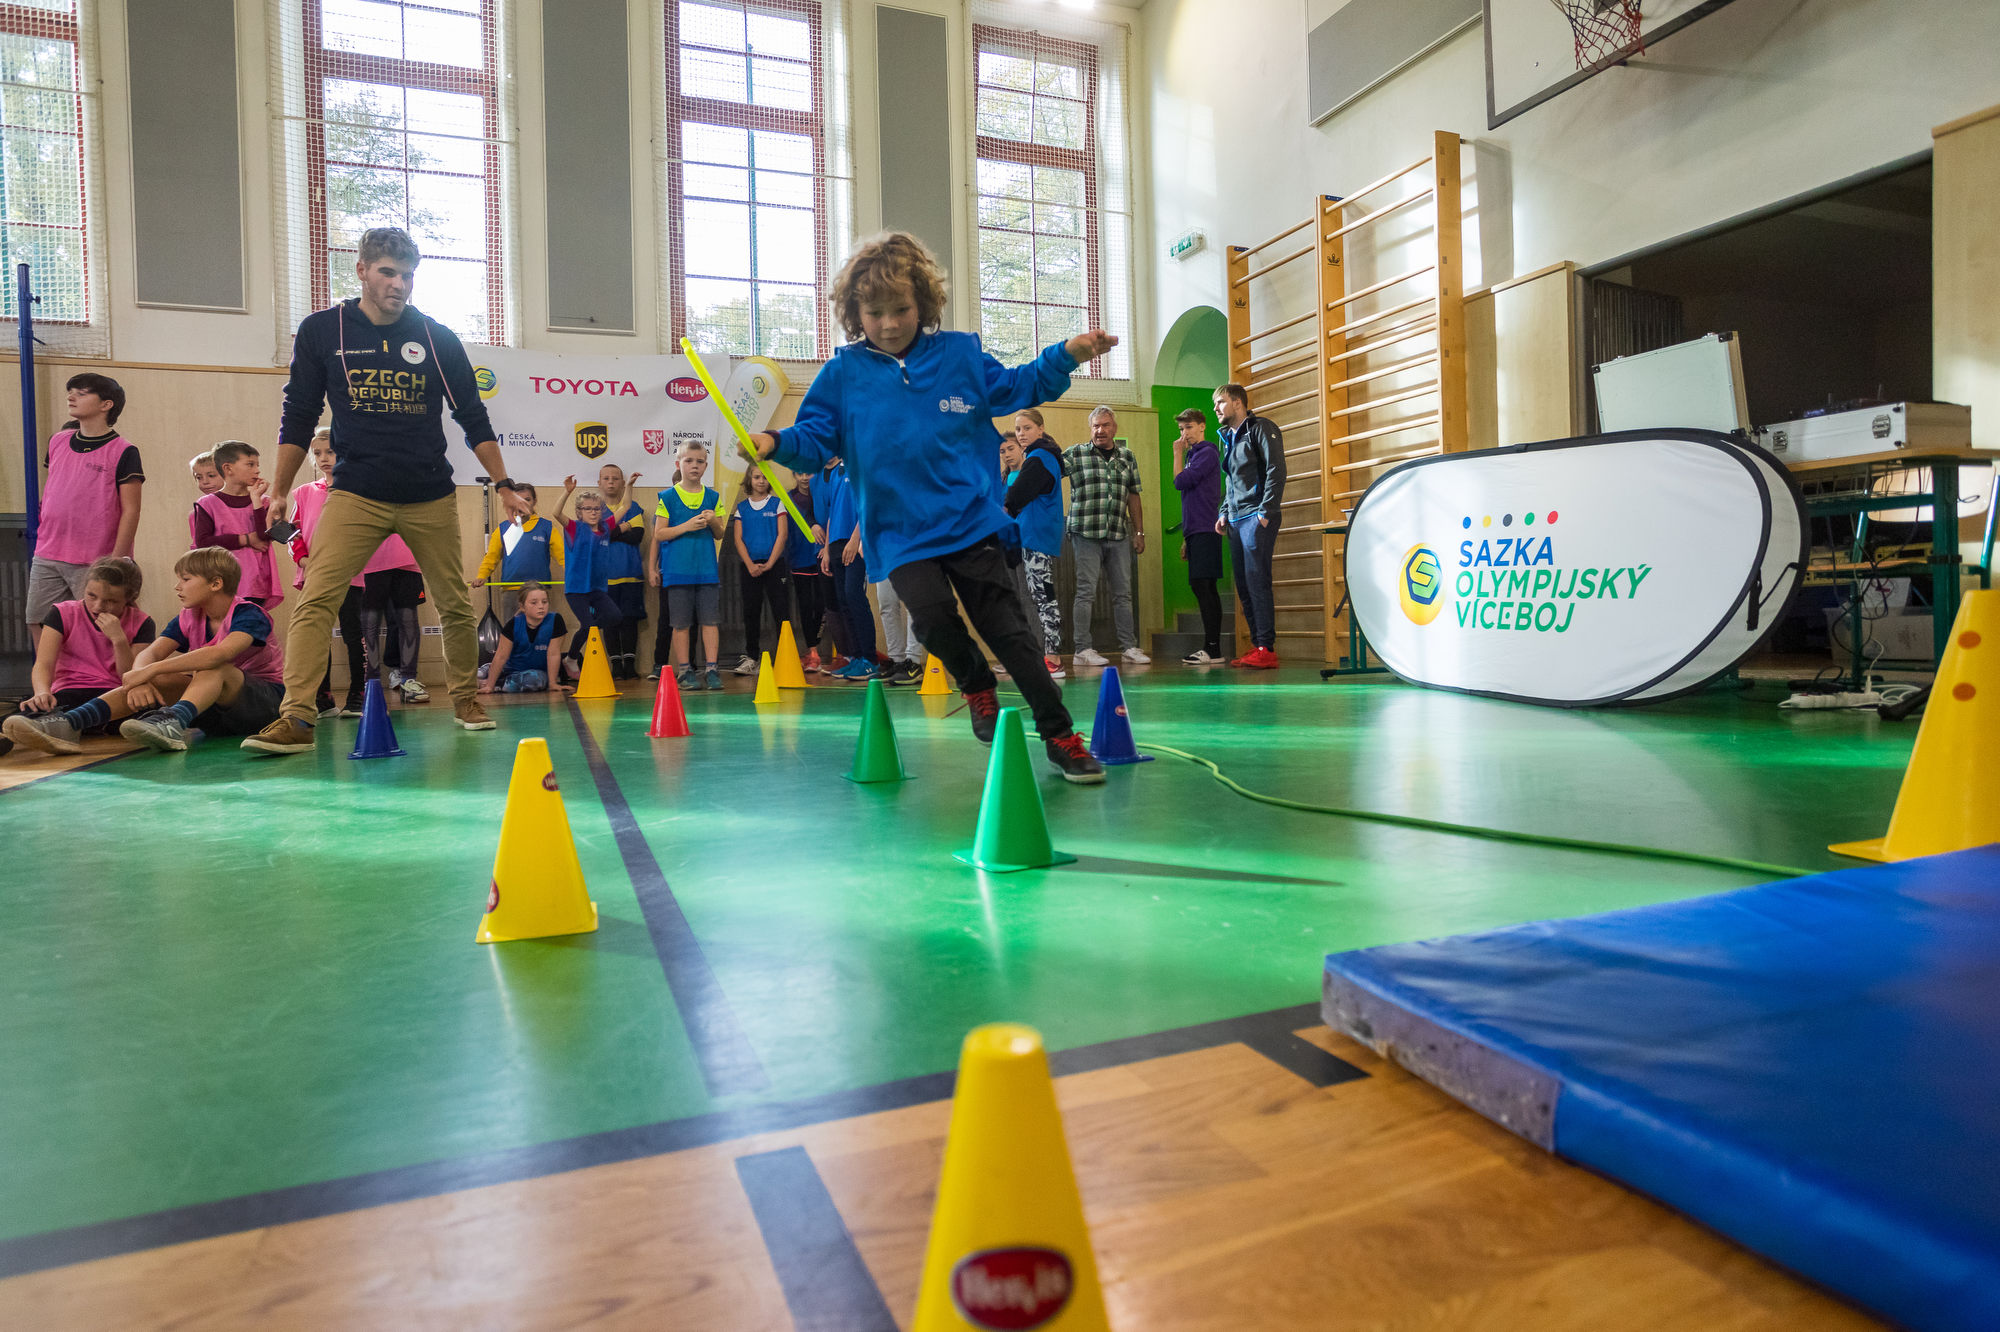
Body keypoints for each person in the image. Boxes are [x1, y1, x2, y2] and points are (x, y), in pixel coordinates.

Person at [747, 230, 1110, 783]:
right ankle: (976, 684)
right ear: (855, 314)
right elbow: (815, 437)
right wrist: (774, 442)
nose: (889, 323)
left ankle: (1060, 736)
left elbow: (1018, 386)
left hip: (969, 519)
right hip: (899, 532)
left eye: (901, 309)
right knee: (933, 619)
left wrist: (1068, 355)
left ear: (923, 304)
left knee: (1009, 633)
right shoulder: (843, 374)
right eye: (875, 313)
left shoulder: (959, 354)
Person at [245, 226, 514, 753]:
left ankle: (466, 700)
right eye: (388, 272)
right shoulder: (323, 330)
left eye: (408, 275)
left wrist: (503, 482)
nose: (399, 284)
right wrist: (279, 490)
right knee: (317, 599)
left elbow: (473, 416)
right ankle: (296, 718)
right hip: (356, 493)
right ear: (362, 270)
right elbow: (298, 415)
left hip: (428, 493)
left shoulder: (435, 337)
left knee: (454, 603)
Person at [5, 548, 283, 755]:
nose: (177, 586)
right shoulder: (189, 616)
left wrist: (150, 670)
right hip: (218, 713)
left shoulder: (249, 614)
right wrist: (140, 677)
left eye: (185, 579)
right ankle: (69, 724)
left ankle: (172, 721)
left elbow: (220, 654)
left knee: (213, 667)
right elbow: (150, 654)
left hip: (264, 706)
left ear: (215, 583)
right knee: (160, 677)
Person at [26, 373, 143, 633]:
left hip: (95, 558)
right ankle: (48, 663)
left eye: (81, 393)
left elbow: (131, 510)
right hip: (48, 551)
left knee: (97, 625)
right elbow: (56, 488)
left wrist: (116, 560)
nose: (71, 397)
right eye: (71, 391)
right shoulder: (57, 441)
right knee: (38, 619)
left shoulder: (124, 450)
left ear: (106, 404)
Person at [12, 557, 155, 734]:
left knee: (148, 711)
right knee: (30, 712)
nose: (98, 607)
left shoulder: (142, 622)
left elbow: (130, 676)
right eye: (91, 596)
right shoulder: (62, 613)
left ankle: (69, 728)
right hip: (70, 691)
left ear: (129, 598)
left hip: (115, 694)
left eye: (111, 601)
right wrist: (41, 692)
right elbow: (44, 664)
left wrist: (119, 640)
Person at [1062, 406, 1149, 668]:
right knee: (1085, 592)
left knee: (1123, 594)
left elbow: (1133, 495)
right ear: (1090, 429)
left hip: (1118, 533)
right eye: (1096, 426)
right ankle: (1082, 649)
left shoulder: (1127, 456)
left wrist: (1139, 532)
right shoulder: (1076, 453)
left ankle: (1129, 647)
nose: (1100, 430)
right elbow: (1046, 473)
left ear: (1114, 428)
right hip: (1085, 533)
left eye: (1105, 425)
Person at [288, 428, 364, 716]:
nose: (323, 458)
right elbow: (292, 533)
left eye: (330, 452)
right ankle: (323, 696)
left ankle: (358, 694)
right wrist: (303, 559)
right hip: (313, 575)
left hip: (350, 575)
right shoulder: (304, 492)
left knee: (353, 633)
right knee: (316, 633)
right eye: (317, 453)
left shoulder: (357, 490)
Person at [1214, 382, 1285, 669]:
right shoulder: (1227, 437)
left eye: (1220, 402)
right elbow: (1231, 479)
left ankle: (1267, 647)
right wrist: (1224, 511)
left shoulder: (1260, 428)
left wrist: (1265, 512)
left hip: (1256, 516)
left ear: (1237, 403)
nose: (1216, 408)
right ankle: (1258, 646)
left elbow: (1276, 469)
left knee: (1257, 581)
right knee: (1244, 586)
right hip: (1235, 519)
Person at [652, 442, 726, 692]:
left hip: (706, 570)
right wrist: (687, 526)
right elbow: (659, 534)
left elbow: (720, 533)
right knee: (680, 623)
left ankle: (712, 669)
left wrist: (713, 521)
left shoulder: (713, 497)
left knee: (710, 621)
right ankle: (685, 671)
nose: (695, 466)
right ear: (678, 464)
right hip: (677, 571)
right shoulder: (667, 497)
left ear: (706, 465)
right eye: (689, 461)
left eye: (700, 461)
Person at [1004, 411, 1068, 679]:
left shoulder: (1040, 457)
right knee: (1041, 595)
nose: (1021, 434)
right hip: (1035, 535)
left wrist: (1005, 508)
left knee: (1043, 596)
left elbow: (1017, 493)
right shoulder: (1040, 456)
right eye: (1018, 429)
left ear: (1040, 429)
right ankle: (1046, 655)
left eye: (1027, 428)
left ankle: (1053, 658)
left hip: (1036, 535)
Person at [192, 441, 283, 610]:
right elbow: (203, 542)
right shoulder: (207, 504)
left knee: (251, 622)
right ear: (228, 468)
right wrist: (246, 539)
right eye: (250, 464)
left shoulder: (263, 501)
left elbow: (263, 535)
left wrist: (256, 499)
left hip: (255, 582)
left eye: (257, 465)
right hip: (222, 580)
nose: (257, 470)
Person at [553, 478, 624, 678]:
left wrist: (629, 486)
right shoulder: (574, 528)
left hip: (597, 588)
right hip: (576, 589)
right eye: (588, 509)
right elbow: (556, 513)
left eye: (596, 509)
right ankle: (571, 657)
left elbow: (625, 506)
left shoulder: (606, 528)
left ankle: (585, 635)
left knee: (615, 616)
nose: (593, 512)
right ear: (579, 512)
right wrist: (567, 491)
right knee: (588, 625)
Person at [1172, 407, 1225, 665]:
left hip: (1206, 528)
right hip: (1195, 530)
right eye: (1181, 429)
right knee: (1201, 586)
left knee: (1204, 586)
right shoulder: (1194, 455)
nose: (1185, 434)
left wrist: (1176, 454)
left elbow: (1180, 482)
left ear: (1202, 426)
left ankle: (1212, 648)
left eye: (1189, 427)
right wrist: (1186, 537)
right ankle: (1212, 648)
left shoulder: (1206, 453)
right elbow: (1191, 497)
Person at [819, 456, 879, 681]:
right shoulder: (834, 473)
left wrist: (855, 540)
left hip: (853, 543)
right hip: (835, 543)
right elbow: (832, 513)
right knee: (843, 601)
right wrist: (826, 550)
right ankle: (856, 657)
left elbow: (867, 506)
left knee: (855, 596)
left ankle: (870, 659)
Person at [471, 481, 564, 621]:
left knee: (541, 630)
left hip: (539, 590)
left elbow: (563, 556)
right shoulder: (503, 528)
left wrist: (575, 575)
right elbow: (491, 557)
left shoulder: (547, 527)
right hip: (511, 590)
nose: (522, 504)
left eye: (527, 500)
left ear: (534, 501)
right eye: (518, 501)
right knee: (512, 631)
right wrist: (482, 576)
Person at [730, 465, 791, 675]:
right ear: (750, 480)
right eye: (757, 477)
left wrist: (771, 563)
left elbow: (782, 535)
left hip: (775, 565)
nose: (761, 481)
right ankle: (752, 658)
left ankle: (786, 657)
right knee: (751, 612)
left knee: (781, 611)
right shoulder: (742, 508)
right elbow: (738, 539)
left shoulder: (777, 504)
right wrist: (749, 564)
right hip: (750, 567)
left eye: (765, 477)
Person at [597, 464, 648, 679]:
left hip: (631, 574)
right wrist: (624, 527)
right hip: (604, 579)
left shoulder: (632, 507)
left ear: (622, 482)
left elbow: (637, 536)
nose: (611, 482)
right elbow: (598, 536)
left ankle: (630, 664)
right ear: (599, 483)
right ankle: (616, 666)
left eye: (615, 478)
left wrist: (611, 532)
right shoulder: (594, 509)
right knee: (609, 621)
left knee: (629, 620)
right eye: (606, 478)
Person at [479, 582, 566, 694]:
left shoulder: (556, 621)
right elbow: (501, 656)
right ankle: (486, 678)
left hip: (535, 673)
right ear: (522, 606)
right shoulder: (513, 624)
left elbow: (553, 654)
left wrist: (553, 683)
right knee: (478, 674)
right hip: (509, 668)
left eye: (544, 602)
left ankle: (493, 684)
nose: (541, 606)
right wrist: (489, 686)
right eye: (534, 603)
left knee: (535, 681)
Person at [783, 472, 826, 674]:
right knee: (805, 606)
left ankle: (825, 649)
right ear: (794, 475)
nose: (804, 478)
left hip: (822, 558)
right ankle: (813, 652)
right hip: (799, 560)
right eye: (800, 473)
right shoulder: (788, 499)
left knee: (822, 605)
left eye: (808, 473)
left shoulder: (822, 494)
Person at [187, 450, 222, 547]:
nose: (205, 481)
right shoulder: (196, 512)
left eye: (211, 476)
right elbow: (198, 545)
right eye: (199, 477)